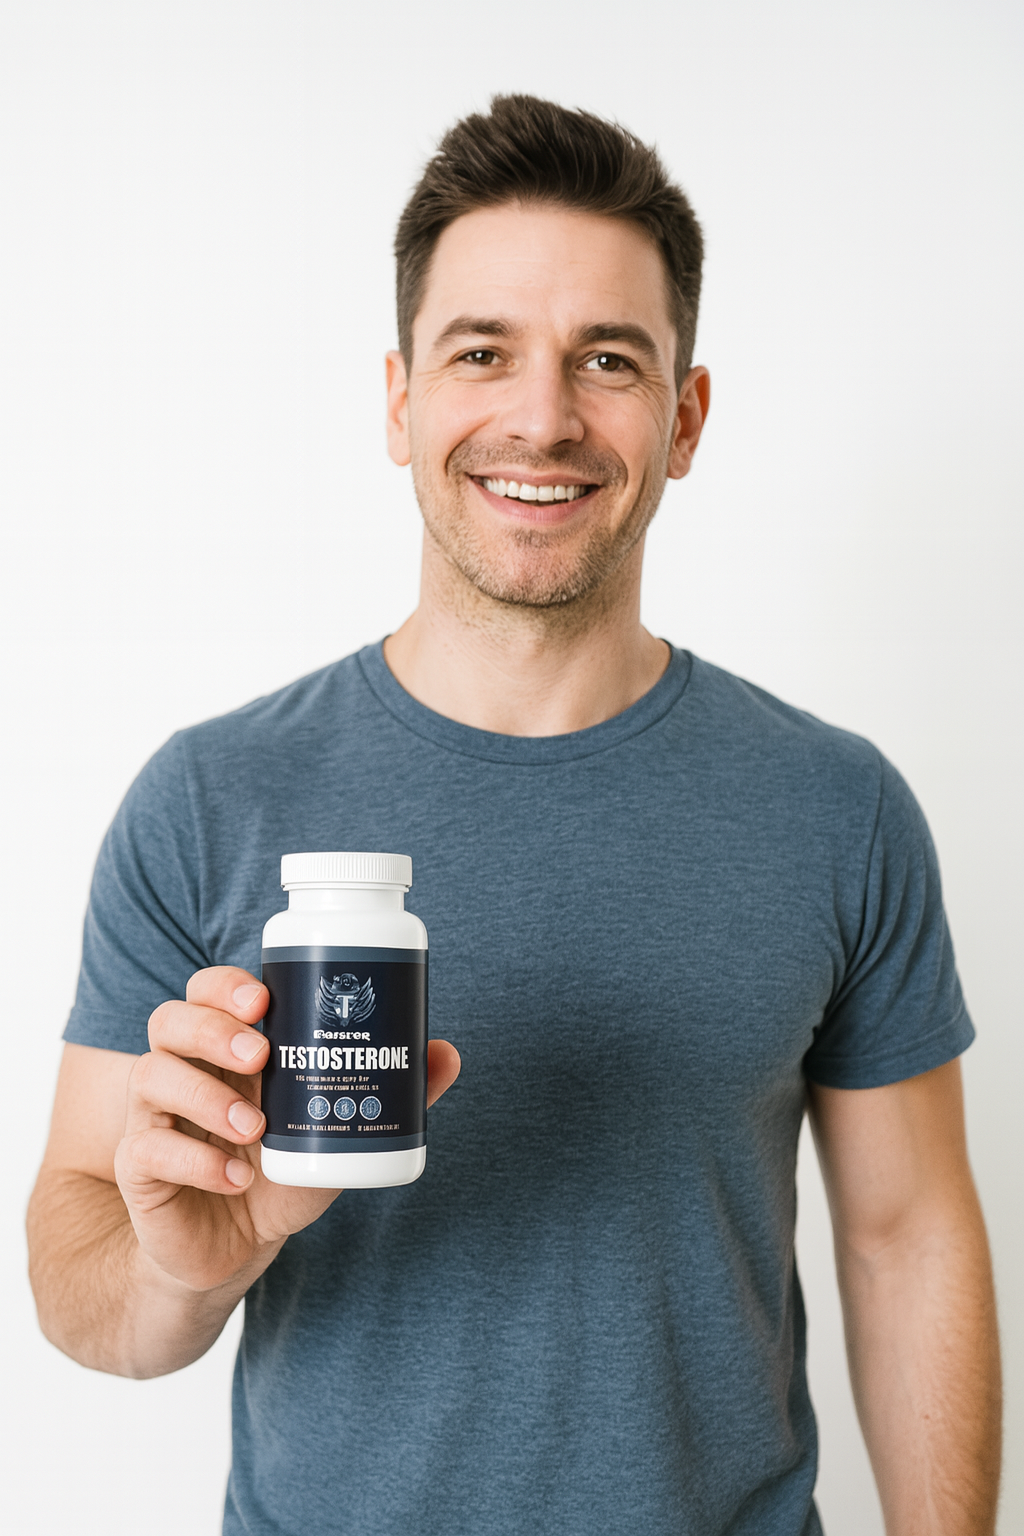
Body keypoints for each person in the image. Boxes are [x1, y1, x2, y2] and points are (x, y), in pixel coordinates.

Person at [27, 95, 1000, 1536]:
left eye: (607, 359)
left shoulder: (837, 807)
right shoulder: (209, 797)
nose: (541, 417)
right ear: (400, 400)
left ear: (685, 417)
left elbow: (908, 1239)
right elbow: (80, 1272)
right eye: (481, 351)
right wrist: (186, 1267)